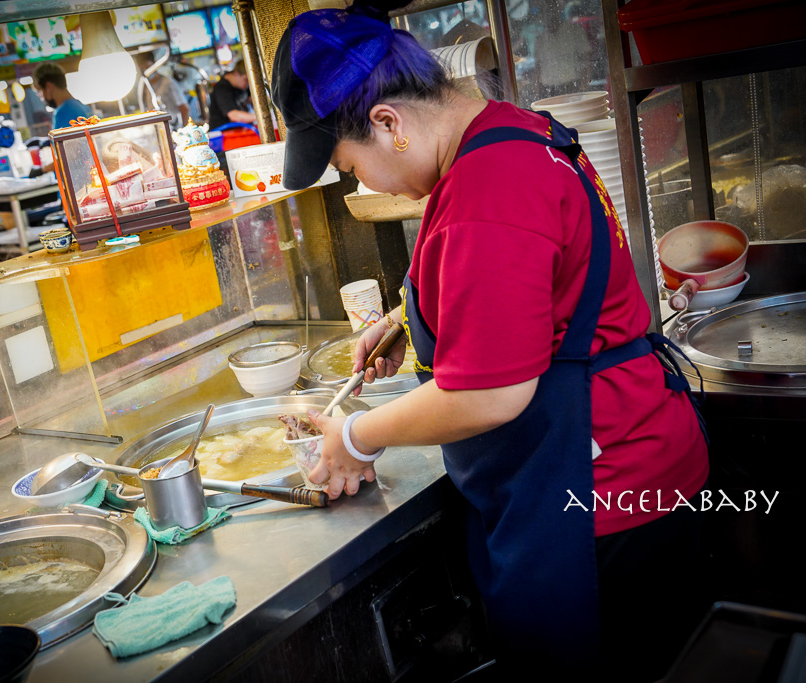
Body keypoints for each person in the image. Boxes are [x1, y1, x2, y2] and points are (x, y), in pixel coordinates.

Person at [270, 1, 709, 680]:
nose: (362, 182)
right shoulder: (507, 132)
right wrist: (409, 318)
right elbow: (539, 282)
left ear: (388, 124)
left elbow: (492, 394)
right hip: (628, 462)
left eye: (351, 167)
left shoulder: (486, 193)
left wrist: (355, 436)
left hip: (599, 499)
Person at [135, 51, 190, 130]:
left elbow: (185, 109)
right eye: (142, 68)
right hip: (156, 130)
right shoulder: (145, 86)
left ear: (154, 64)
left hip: (173, 128)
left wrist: (184, 130)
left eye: (147, 67)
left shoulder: (168, 83)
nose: (145, 71)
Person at [33, 62, 92, 130]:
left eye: (39, 91)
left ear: (49, 86)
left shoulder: (62, 113)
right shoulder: (83, 107)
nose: (41, 98)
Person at [207, 59, 256, 130]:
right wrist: (260, 116)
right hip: (223, 133)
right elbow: (234, 115)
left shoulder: (242, 85)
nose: (248, 83)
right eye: (246, 79)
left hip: (241, 130)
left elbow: (253, 100)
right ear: (236, 74)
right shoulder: (221, 88)